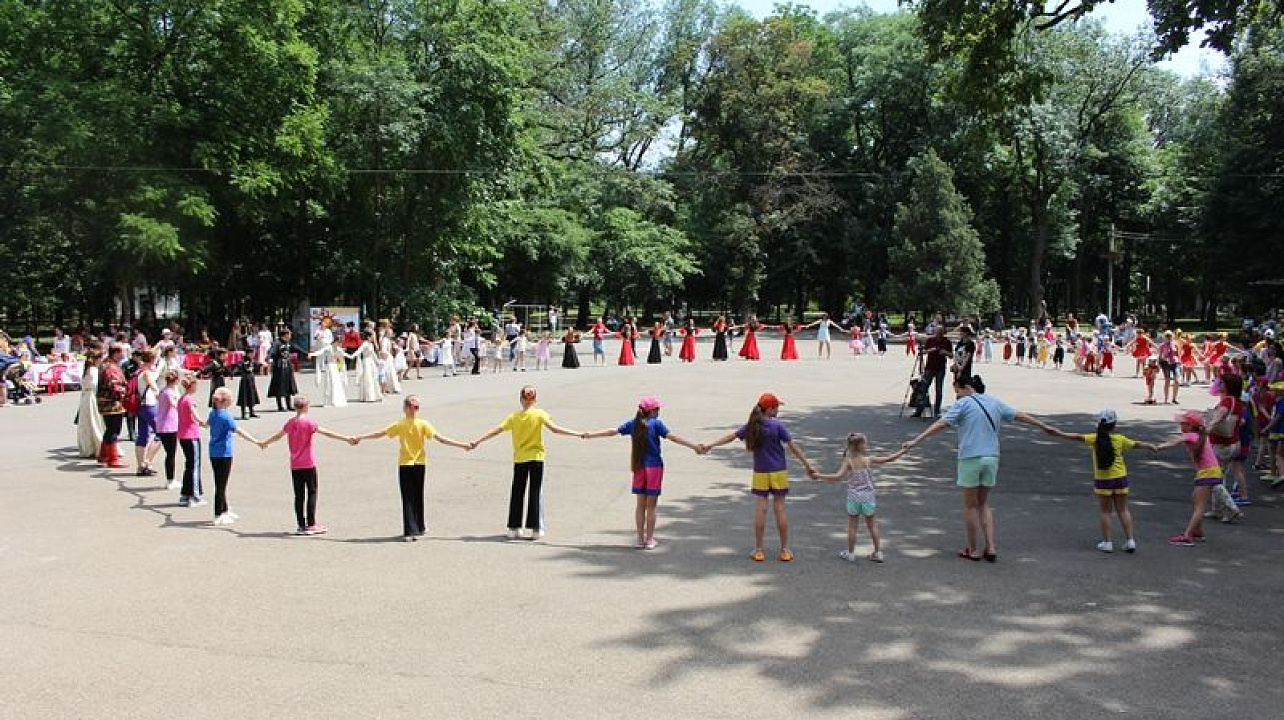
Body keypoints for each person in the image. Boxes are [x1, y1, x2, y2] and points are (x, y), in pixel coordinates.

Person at [900, 374, 1051, 562]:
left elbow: (940, 424)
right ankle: (991, 546)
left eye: (956, 390)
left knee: (970, 505)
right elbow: (1019, 415)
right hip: (991, 457)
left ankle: (973, 549)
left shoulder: (963, 404)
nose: (956, 394)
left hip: (970, 457)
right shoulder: (993, 401)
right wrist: (1042, 425)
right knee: (983, 503)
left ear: (963, 387)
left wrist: (916, 441)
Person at [700, 393, 817, 563]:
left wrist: (710, 445)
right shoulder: (778, 426)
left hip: (760, 472)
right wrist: (808, 465)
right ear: (770, 409)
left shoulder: (752, 425)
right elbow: (794, 447)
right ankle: (784, 550)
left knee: (761, 510)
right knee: (780, 510)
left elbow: (731, 437)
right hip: (778, 472)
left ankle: (759, 549)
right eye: (777, 407)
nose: (778, 410)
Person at [580, 396, 702, 549]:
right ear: (651, 411)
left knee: (640, 505)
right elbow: (674, 438)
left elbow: (613, 431)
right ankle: (650, 539)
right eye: (657, 409)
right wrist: (694, 446)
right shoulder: (656, 424)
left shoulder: (633, 424)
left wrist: (590, 434)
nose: (659, 411)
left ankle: (639, 539)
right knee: (651, 506)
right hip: (654, 468)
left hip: (639, 468)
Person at [350, 395, 471, 541]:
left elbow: (380, 433)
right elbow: (441, 438)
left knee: (408, 497)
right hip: (420, 464)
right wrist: (462, 445)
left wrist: (360, 437)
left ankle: (410, 531)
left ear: (406, 408)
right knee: (418, 495)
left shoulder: (400, 424)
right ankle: (419, 526)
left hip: (405, 465)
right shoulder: (423, 424)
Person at [470, 386, 583, 540]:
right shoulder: (540, 414)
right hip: (536, 457)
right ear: (535, 400)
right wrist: (578, 434)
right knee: (535, 492)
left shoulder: (514, 416)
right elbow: (555, 429)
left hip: (520, 458)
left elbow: (497, 430)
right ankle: (535, 529)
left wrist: (478, 441)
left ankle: (513, 528)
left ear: (521, 399)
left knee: (517, 491)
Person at [1040, 409, 1157, 553]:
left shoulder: (1094, 439)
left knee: (1105, 511)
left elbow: (1076, 436)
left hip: (1103, 480)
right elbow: (1136, 444)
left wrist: (1058, 433)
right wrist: (1149, 445)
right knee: (1123, 509)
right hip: (1120, 478)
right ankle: (1130, 540)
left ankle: (1108, 542)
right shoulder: (1120, 439)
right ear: (1114, 425)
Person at [813, 432, 908, 563]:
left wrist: (819, 476)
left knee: (852, 526)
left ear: (850, 446)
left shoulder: (849, 462)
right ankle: (878, 552)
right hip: (868, 497)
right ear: (862, 446)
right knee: (872, 525)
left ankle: (851, 553)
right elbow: (888, 458)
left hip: (854, 498)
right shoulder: (868, 460)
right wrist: (902, 451)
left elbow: (837, 476)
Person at [1155, 412, 1227, 546]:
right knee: (1195, 499)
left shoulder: (1190, 435)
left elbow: (1175, 442)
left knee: (1199, 506)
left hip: (1208, 473)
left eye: (1183, 423)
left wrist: (1158, 447)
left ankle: (1187, 536)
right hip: (1210, 472)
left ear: (1190, 425)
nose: (1180, 425)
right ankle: (1198, 531)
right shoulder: (1200, 436)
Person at [206, 387, 263, 526]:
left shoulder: (213, 413)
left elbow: (206, 424)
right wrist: (256, 441)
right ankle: (218, 513)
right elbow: (238, 430)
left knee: (220, 482)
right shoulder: (226, 416)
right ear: (224, 401)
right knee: (221, 484)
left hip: (214, 452)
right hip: (224, 453)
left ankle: (224, 509)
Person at [97, 344, 130, 469]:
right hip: (112, 403)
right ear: (115, 353)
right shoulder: (110, 367)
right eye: (122, 352)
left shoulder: (108, 364)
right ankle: (113, 458)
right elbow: (114, 386)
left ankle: (103, 455)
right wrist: (126, 392)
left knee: (110, 429)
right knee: (114, 430)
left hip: (108, 402)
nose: (123, 355)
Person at [176, 375, 206, 506]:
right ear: (192, 385)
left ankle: (185, 494)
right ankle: (195, 496)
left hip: (183, 435)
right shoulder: (189, 400)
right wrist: (203, 422)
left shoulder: (181, 399)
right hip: (191, 435)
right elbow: (195, 414)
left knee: (189, 465)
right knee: (194, 466)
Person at [132, 350, 161, 475]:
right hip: (150, 405)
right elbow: (154, 387)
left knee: (142, 435)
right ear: (152, 360)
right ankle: (147, 462)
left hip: (141, 406)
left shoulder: (140, 372)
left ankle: (140, 465)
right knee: (161, 433)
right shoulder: (147, 373)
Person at [154, 370, 182, 490]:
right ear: (176, 380)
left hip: (163, 424)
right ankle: (170, 480)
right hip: (169, 426)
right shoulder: (170, 392)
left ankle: (170, 479)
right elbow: (173, 404)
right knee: (171, 454)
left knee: (169, 453)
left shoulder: (163, 391)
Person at [916, 325, 951, 419]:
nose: (938, 332)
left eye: (940, 331)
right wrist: (929, 350)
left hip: (940, 368)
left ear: (943, 332)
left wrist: (945, 353)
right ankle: (919, 409)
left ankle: (937, 410)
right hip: (929, 367)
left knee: (939, 390)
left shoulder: (947, 341)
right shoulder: (930, 340)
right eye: (936, 331)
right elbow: (923, 351)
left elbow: (951, 355)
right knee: (924, 387)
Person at [76, 350, 106, 459]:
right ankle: (98, 446)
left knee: (86, 423)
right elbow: (95, 384)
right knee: (95, 422)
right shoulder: (93, 370)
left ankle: (88, 447)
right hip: (92, 396)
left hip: (85, 397)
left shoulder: (86, 369)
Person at [307, 338, 348, 408]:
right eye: (339, 342)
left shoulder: (338, 349)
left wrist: (352, 356)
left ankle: (337, 399)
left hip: (335, 367)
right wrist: (312, 354)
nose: (339, 344)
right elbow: (320, 352)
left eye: (340, 343)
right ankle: (329, 401)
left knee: (336, 383)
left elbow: (344, 354)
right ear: (335, 342)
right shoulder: (329, 347)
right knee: (330, 383)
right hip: (329, 367)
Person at [266, 330, 297, 412]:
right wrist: (269, 358)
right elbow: (271, 351)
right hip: (279, 366)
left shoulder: (288, 343)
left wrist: (307, 353)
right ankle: (280, 406)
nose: (290, 337)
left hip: (287, 366)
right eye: (289, 335)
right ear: (285, 335)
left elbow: (296, 348)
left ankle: (289, 405)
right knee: (279, 385)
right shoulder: (277, 343)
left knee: (288, 384)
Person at [235, 352, 260, 419]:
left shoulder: (252, 361)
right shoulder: (242, 361)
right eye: (252, 354)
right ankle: (243, 414)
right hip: (245, 380)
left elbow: (256, 365)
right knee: (244, 396)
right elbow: (238, 367)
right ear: (248, 354)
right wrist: (233, 372)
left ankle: (251, 412)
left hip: (251, 380)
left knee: (251, 395)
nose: (253, 355)